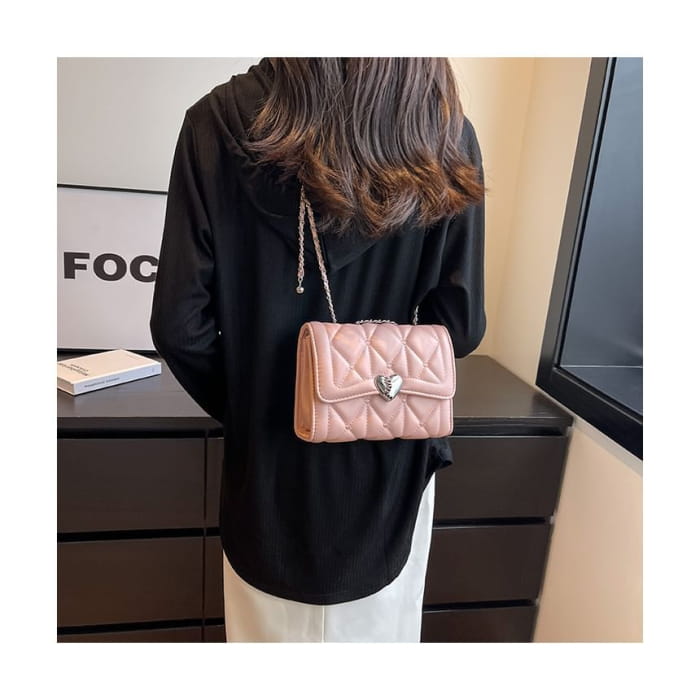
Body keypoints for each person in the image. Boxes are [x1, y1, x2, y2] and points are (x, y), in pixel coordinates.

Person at [149, 57, 487, 642]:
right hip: (391, 462)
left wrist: (259, 405)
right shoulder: (443, 130)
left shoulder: (215, 122)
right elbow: (460, 324)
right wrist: (377, 382)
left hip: (268, 476)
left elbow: (180, 326)